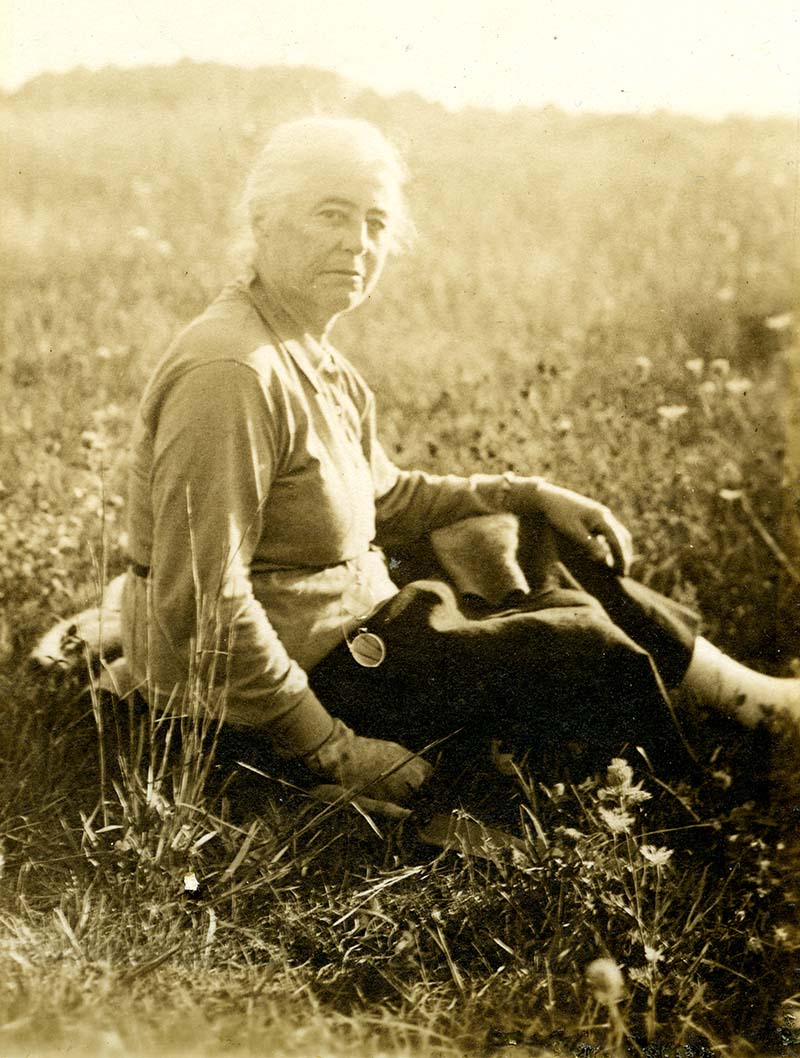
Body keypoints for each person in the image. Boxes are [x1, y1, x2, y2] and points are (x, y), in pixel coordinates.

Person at [120, 115, 799, 808]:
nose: (358, 243)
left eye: (377, 222)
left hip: (356, 628)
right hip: (285, 686)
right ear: (263, 221)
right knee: (578, 647)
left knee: (529, 531)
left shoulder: (309, 355)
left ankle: (747, 700)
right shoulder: (232, 370)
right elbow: (203, 597)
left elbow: (387, 501)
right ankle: (687, 811)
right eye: (332, 213)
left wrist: (529, 494)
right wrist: (331, 745)